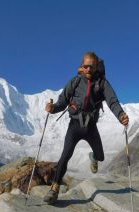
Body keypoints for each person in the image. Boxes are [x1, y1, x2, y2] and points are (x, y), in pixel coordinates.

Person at [43, 51, 129, 204]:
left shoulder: (102, 83)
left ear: (96, 67)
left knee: (100, 156)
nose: (88, 69)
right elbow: (62, 102)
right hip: (75, 125)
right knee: (65, 156)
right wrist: (53, 107)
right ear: (82, 66)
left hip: (90, 127)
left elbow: (112, 101)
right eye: (85, 66)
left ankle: (93, 157)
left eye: (91, 66)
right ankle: (54, 188)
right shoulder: (75, 82)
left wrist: (121, 115)